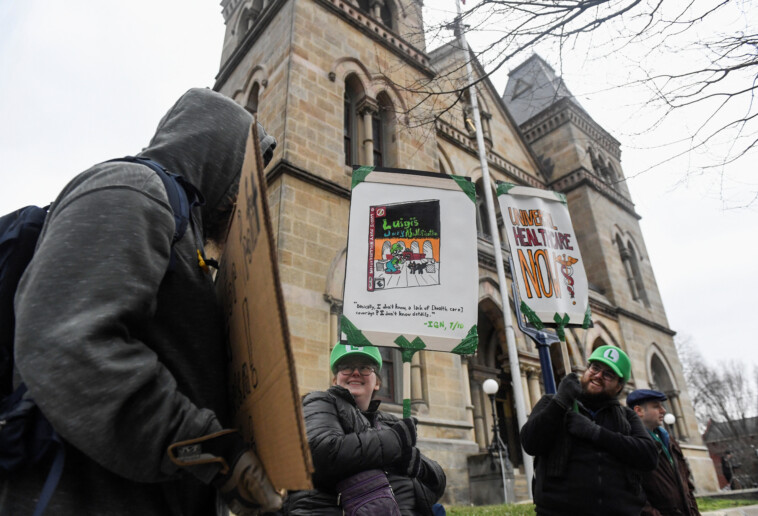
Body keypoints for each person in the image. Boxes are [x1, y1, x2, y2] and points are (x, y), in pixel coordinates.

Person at [3, 88, 281, 515]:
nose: (247, 198)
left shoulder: (186, 233)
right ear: (222, 159)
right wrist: (212, 453)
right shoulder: (134, 189)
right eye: (247, 177)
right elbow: (65, 345)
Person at [284, 343, 446, 515]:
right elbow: (321, 452)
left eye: (364, 367)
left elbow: (437, 481)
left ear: (377, 382)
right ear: (334, 380)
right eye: (346, 367)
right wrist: (396, 443)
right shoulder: (319, 402)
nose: (355, 372)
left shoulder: (390, 423)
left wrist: (416, 464)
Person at [521, 345, 658, 516]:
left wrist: (596, 433)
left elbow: (649, 456)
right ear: (586, 370)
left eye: (608, 374)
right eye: (595, 367)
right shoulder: (552, 403)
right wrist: (560, 402)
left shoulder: (627, 417)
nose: (598, 375)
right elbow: (530, 443)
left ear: (618, 387)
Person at [627, 389, 701, 516]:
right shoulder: (632, 443)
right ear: (639, 411)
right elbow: (632, 493)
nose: (663, 410)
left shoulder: (669, 439)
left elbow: (687, 484)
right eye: (656, 406)